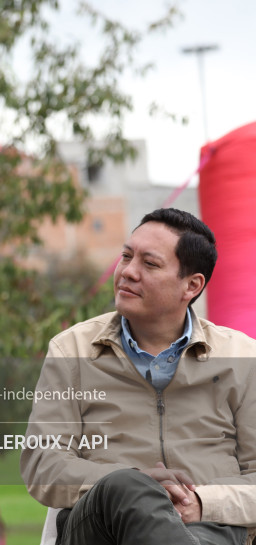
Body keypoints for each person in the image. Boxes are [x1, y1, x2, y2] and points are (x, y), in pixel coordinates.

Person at [20, 208, 256, 544]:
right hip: (101, 528)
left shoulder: (243, 358)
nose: (128, 272)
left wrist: (203, 502)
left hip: (207, 528)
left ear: (191, 285)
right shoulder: (72, 350)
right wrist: (140, 484)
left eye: (150, 263)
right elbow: (43, 464)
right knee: (127, 486)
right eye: (126, 256)